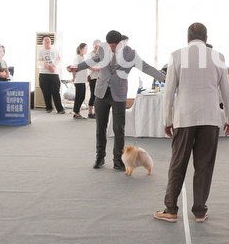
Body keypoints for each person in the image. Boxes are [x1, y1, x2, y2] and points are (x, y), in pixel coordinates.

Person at [155, 23, 229, 223]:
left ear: (188, 38)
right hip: (210, 118)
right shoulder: (218, 57)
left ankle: (170, 209)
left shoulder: (176, 56)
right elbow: (227, 92)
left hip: (184, 117)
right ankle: (199, 211)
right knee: (204, 165)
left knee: (177, 163)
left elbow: (169, 91)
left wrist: (167, 120)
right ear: (206, 39)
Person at [69, 30, 165, 170]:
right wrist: (77, 67)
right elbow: (93, 60)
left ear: (120, 43)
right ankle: (100, 157)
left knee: (118, 129)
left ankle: (118, 160)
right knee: (100, 127)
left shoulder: (130, 54)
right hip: (101, 93)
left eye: (113, 46)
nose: (111, 48)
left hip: (118, 94)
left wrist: (164, 78)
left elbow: (146, 67)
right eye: (109, 45)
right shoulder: (103, 48)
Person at [36, 35, 64, 113]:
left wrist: (53, 66)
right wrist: (48, 67)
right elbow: (40, 61)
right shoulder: (40, 51)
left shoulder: (55, 50)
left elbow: (58, 59)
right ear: (42, 42)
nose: (47, 41)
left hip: (54, 74)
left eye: (48, 39)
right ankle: (48, 107)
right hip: (43, 73)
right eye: (45, 40)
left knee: (56, 92)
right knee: (46, 92)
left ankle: (60, 109)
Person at [70, 42, 89, 119]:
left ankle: (77, 111)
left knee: (82, 97)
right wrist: (74, 77)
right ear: (80, 49)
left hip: (83, 79)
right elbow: (74, 68)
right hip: (78, 80)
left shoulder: (83, 58)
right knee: (79, 97)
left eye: (86, 49)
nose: (86, 50)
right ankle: (76, 113)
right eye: (85, 49)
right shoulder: (77, 57)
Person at [86, 39, 100, 119]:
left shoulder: (100, 54)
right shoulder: (90, 54)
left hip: (99, 77)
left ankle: (96, 112)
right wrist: (96, 69)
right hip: (92, 76)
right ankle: (90, 112)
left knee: (98, 95)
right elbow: (88, 65)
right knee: (93, 95)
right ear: (94, 46)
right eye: (97, 45)